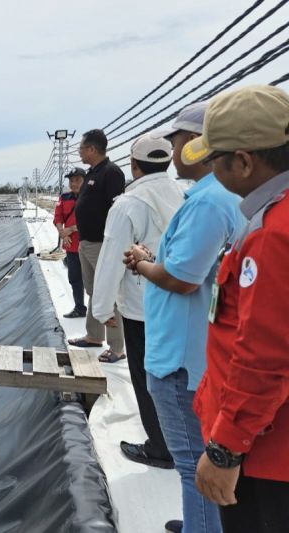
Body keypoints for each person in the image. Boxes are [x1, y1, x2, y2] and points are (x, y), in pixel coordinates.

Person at [126, 101, 242, 533]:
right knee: (196, 462)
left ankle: (201, 526)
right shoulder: (215, 198)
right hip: (194, 349)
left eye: (176, 142)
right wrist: (156, 259)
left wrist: (141, 264)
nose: (174, 152)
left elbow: (182, 280)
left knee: (194, 462)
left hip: (179, 357)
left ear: (195, 145)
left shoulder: (209, 202)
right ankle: (201, 523)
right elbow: (190, 268)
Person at [181, 85, 289, 532]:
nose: (210, 170)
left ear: (244, 162)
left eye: (215, 160)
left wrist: (226, 450)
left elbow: (265, 358)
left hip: (262, 453)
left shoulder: (273, 236)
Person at [94, 132, 184, 472]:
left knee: (149, 379)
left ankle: (161, 446)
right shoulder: (185, 194)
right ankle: (184, 439)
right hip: (183, 300)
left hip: (142, 307)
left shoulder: (129, 204)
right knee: (179, 375)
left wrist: (102, 309)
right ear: (169, 161)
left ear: (134, 165)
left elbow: (111, 259)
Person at [69, 129, 126, 362]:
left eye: (81, 148)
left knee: (108, 292)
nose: (80, 152)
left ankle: (117, 347)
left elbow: (117, 209)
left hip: (102, 243)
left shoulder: (111, 173)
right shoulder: (93, 172)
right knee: (93, 290)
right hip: (87, 241)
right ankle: (94, 335)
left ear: (92, 149)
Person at [54, 168, 87, 318]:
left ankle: (99, 312)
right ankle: (79, 307)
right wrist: (62, 232)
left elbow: (97, 220)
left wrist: (71, 229)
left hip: (88, 244)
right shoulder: (64, 197)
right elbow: (58, 217)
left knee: (92, 279)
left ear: (84, 181)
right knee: (74, 278)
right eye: (71, 181)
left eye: (77, 180)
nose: (73, 184)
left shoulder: (91, 197)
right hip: (70, 245)